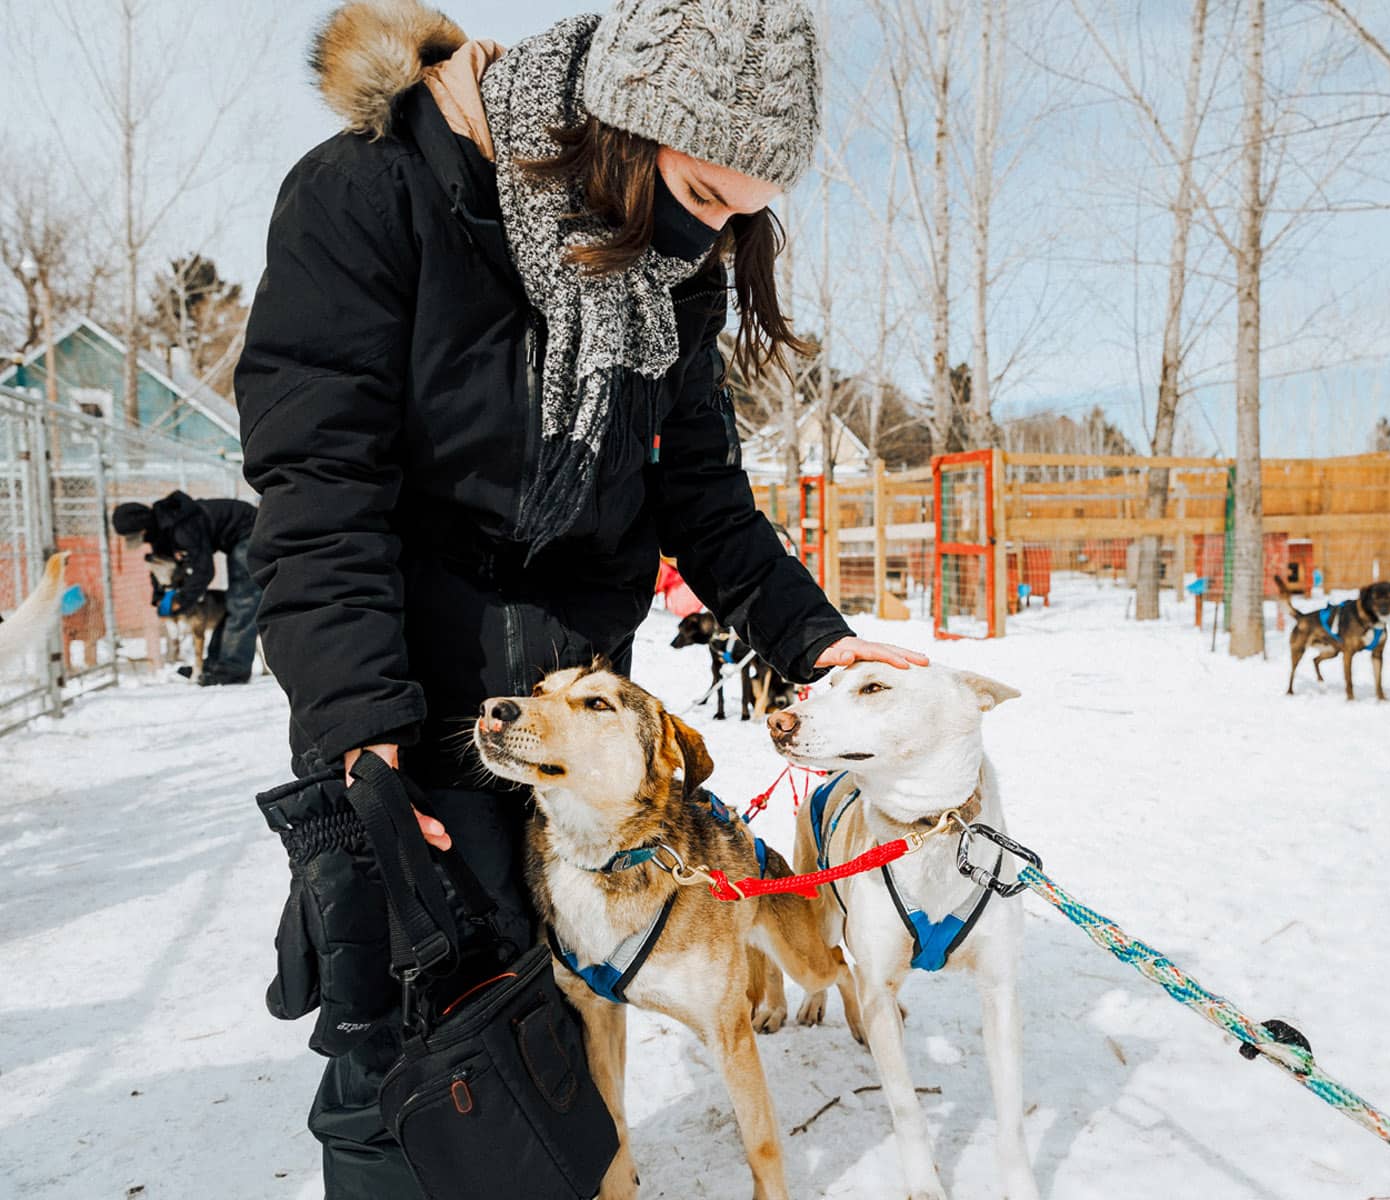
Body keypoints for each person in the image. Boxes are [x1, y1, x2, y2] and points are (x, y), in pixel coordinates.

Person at [234, 2, 924, 1194]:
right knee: (409, 1043)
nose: (711, 239)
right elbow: (320, 485)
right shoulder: (378, 194)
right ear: (621, 126)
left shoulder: (668, 273)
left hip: (567, 704)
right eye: (705, 197)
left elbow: (699, 492)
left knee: (551, 1041)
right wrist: (360, 733)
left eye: (744, 216)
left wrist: (812, 637)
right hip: (401, 682)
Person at [110, 492, 261, 685]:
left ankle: (233, 669)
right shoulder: (160, 531)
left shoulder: (181, 526)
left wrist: (181, 600)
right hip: (232, 539)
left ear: (142, 528)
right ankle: (215, 664)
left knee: (243, 600)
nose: (137, 541)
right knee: (232, 605)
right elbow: (162, 566)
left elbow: (204, 570)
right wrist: (159, 598)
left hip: (249, 530)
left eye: (134, 536)